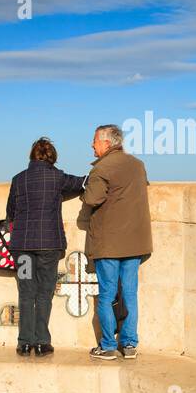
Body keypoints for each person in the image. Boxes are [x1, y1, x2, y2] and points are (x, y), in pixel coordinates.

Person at [5, 137, 87, 356]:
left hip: (22, 246)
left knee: (25, 292)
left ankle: (24, 343)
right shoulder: (57, 177)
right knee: (44, 293)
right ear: (53, 157)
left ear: (32, 156)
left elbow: (11, 212)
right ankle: (41, 342)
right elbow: (83, 183)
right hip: (48, 246)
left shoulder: (18, 179)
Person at [81, 124, 151, 360]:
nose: (92, 145)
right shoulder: (138, 165)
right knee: (130, 293)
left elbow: (93, 198)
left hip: (109, 242)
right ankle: (130, 344)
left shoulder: (102, 168)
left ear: (107, 143)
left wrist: (84, 189)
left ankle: (109, 345)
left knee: (107, 294)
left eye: (94, 141)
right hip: (134, 242)